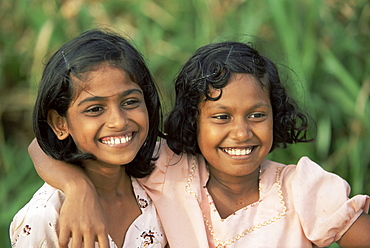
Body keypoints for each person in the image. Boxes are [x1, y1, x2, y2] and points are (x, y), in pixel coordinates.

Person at [28, 41, 370, 247]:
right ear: (194, 121)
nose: (241, 133)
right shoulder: (169, 169)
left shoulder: (302, 188)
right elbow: (40, 143)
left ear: (275, 115)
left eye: (256, 115)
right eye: (221, 117)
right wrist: (76, 187)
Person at [10, 29, 167, 248]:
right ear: (60, 124)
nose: (118, 121)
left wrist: (77, 186)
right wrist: (77, 188)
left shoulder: (162, 178)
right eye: (95, 109)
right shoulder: (47, 215)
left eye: (130, 102)